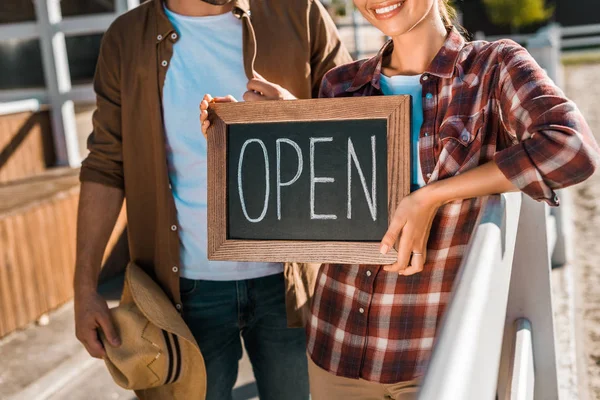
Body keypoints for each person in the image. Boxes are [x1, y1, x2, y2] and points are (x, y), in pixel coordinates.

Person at [204, 0, 600, 398]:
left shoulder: (493, 69)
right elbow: (326, 199)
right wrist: (266, 128)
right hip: (335, 348)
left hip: (435, 358)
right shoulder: (340, 86)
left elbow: (572, 148)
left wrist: (431, 197)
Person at [73, 0, 351, 399]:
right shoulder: (126, 38)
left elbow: (359, 122)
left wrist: (294, 116)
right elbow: (105, 165)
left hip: (294, 284)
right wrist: (84, 289)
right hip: (180, 295)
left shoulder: (300, 12)